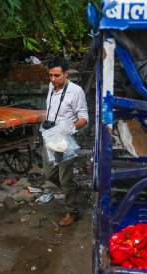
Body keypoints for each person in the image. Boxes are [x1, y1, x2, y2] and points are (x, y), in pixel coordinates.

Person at [42, 57, 88, 227]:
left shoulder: (76, 91)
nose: (52, 79)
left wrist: (69, 128)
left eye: (56, 75)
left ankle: (72, 212)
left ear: (66, 74)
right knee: (49, 174)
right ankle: (74, 188)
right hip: (49, 136)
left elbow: (84, 118)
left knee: (65, 180)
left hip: (65, 140)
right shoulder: (51, 86)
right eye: (50, 76)